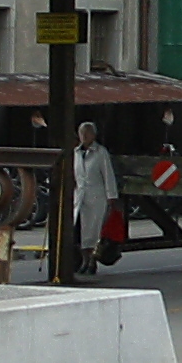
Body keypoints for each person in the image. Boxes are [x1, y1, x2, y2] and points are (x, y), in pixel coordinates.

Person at [68, 119, 118, 281]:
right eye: (82, 133)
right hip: (80, 197)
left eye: (87, 133)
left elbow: (108, 175)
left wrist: (111, 196)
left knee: (93, 233)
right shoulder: (76, 153)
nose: (84, 136)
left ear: (94, 135)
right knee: (80, 233)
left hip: (96, 197)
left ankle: (92, 261)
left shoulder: (100, 152)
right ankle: (84, 260)